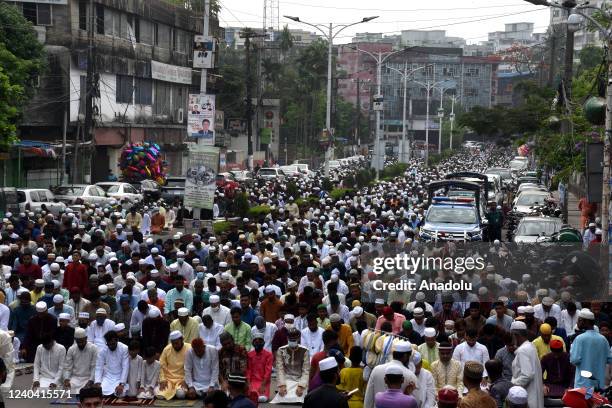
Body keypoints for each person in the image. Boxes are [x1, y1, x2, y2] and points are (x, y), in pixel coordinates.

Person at [363, 341, 417, 408]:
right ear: (406, 356)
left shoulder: (376, 370)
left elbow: (369, 398)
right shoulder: (410, 375)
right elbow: (416, 402)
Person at [569, 308, 612, 390]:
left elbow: (574, 360)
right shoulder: (603, 339)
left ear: (586, 322)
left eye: (580, 320)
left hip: (582, 386)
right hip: (599, 385)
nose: (578, 322)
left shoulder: (579, 339)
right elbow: (609, 359)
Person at [271, 327, 310, 404]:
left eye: (294, 339)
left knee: (300, 398)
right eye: (290, 339)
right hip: (286, 379)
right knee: (283, 398)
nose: (292, 341)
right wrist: (282, 385)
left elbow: (306, 370)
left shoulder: (305, 350)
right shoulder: (281, 350)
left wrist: (301, 386)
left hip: (300, 379)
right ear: (287, 338)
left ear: (298, 338)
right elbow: (280, 369)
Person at [510, 321, 544, 408]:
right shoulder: (530, 346)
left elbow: (527, 375)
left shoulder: (523, 351)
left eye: (512, 336)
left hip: (528, 395)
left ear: (516, 335)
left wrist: (512, 385)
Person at [157, 330, 191, 400]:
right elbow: (161, 365)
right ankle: (172, 392)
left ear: (182, 340)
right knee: (160, 396)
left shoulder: (189, 348)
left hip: (182, 380)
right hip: (169, 379)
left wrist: (186, 380)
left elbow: (192, 367)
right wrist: (162, 379)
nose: (175, 346)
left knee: (181, 395)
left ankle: (176, 392)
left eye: (177, 343)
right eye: (173, 344)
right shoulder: (167, 349)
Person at [94, 330, 129, 397]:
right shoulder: (103, 350)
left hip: (120, 377)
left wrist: (121, 384)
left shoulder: (124, 348)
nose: (110, 346)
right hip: (108, 376)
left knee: (122, 393)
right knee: (100, 391)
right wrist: (98, 382)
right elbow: (99, 367)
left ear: (117, 340)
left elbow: (125, 367)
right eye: (108, 344)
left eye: (113, 344)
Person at [64, 328, 98, 395]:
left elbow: (95, 366)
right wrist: (66, 379)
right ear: (75, 340)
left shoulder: (93, 348)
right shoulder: (71, 349)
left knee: (91, 391)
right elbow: (67, 367)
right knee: (66, 390)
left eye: (82, 341)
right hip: (75, 378)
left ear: (86, 338)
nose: (80, 344)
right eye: (78, 342)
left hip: (88, 378)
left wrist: (91, 380)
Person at [246, 333, 273, 403]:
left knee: (263, 399)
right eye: (256, 341)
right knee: (250, 395)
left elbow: (268, 371)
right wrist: (248, 384)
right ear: (252, 343)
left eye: (260, 341)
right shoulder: (250, 355)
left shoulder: (269, 355)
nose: (258, 343)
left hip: (264, 382)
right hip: (252, 382)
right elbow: (248, 371)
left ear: (263, 343)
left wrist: (263, 385)